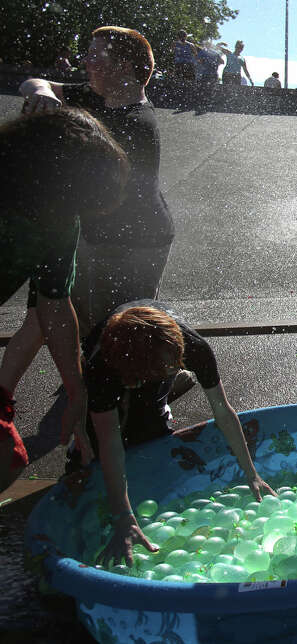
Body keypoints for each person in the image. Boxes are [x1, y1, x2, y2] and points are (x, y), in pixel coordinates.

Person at [6, 26, 175, 413]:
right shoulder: (99, 97)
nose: (86, 61)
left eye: (97, 55)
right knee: (46, 316)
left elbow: (81, 187)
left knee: (121, 327)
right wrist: (43, 91)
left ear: (126, 67)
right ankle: (10, 396)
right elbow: (35, 81)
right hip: (91, 235)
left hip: (134, 244)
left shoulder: (135, 124)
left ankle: (147, 397)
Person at [70, 302, 275, 565]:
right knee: (97, 448)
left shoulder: (194, 348)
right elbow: (109, 441)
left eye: (171, 368)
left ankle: (157, 401)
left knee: (148, 436)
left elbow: (223, 412)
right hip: (119, 363)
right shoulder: (103, 367)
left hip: (152, 359)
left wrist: (252, 474)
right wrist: (123, 517)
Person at [0, 108, 129, 493]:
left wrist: (77, 393)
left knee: (9, 460)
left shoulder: (57, 220)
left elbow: (54, 307)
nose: (71, 214)